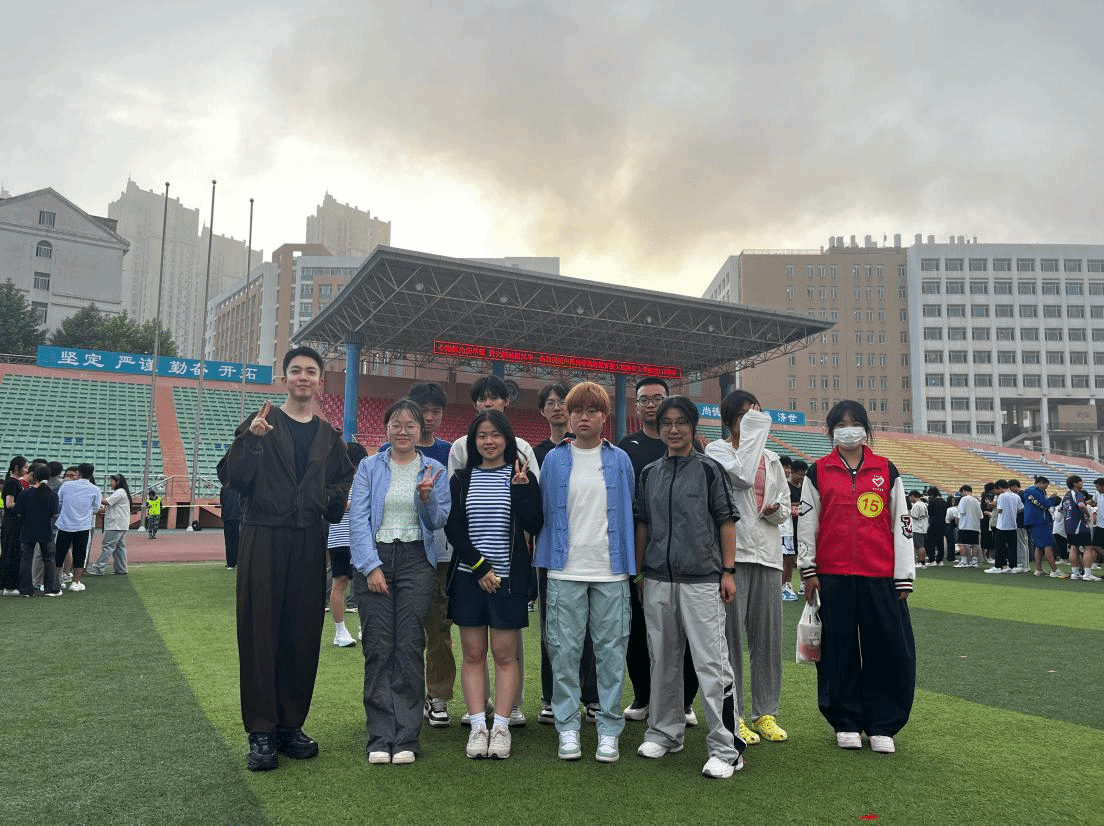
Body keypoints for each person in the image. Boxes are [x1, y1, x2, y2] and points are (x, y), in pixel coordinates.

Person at [225, 346, 355, 772]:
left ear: (320, 381)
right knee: (260, 631)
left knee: (302, 632)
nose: (303, 377)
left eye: (311, 371)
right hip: (263, 536)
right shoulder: (261, 421)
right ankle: (261, 731)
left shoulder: (328, 435)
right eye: (295, 370)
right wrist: (251, 441)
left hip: (308, 539)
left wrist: (326, 500)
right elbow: (232, 478)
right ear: (284, 379)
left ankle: (290, 725)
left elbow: (343, 480)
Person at [634, 396, 745, 779]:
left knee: (712, 664)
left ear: (693, 427)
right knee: (663, 661)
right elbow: (643, 525)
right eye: (667, 422)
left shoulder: (710, 470)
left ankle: (727, 748)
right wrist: (640, 574)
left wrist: (727, 571)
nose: (673, 429)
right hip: (658, 581)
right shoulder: (649, 473)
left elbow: (726, 521)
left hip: (703, 581)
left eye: (681, 422)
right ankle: (665, 733)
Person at [797, 400, 915, 754]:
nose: (848, 429)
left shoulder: (886, 470)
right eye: (841, 423)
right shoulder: (818, 472)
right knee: (837, 650)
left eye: (854, 422)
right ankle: (845, 720)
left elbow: (902, 523)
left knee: (887, 649)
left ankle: (883, 724)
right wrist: (808, 569)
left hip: (880, 574)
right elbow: (807, 522)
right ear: (831, 430)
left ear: (866, 427)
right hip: (832, 575)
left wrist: (903, 575)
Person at [535, 382, 634, 763]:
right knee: (564, 653)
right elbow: (543, 509)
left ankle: (609, 729)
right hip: (564, 570)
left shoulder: (620, 460)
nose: (583, 417)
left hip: (611, 570)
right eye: (577, 410)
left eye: (592, 410)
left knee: (610, 653)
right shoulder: (554, 460)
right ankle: (567, 727)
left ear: (604, 416)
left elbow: (630, 508)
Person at [351, 399, 450, 765]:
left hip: (415, 562)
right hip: (375, 557)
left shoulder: (434, 469)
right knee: (378, 647)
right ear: (387, 428)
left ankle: (407, 736)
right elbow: (358, 519)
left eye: (410, 425)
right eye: (396, 424)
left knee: (409, 646)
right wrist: (370, 566)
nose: (403, 431)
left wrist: (426, 499)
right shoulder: (369, 467)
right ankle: (380, 736)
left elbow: (437, 521)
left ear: (420, 429)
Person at [445, 409, 542, 760]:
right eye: (482, 435)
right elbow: (454, 528)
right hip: (470, 578)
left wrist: (522, 491)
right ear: (473, 441)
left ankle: (501, 726)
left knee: (505, 655)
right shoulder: (461, 479)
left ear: (507, 439)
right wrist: (480, 566)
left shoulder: (521, 476)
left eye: (496, 435)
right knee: (473, 655)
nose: (489, 441)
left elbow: (535, 523)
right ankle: (477, 726)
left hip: (508, 581)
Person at [706, 390, 791, 747]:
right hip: (734, 556)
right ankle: (735, 713)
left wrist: (776, 511)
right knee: (730, 639)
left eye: (756, 414)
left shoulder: (772, 459)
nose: (751, 421)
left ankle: (766, 712)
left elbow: (785, 504)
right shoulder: (718, 451)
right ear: (729, 419)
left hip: (767, 554)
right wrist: (754, 435)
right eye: (743, 415)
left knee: (767, 638)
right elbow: (740, 477)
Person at [618, 377, 699, 726]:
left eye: (657, 398)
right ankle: (643, 695)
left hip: (685, 558)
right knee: (638, 631)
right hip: (640, 553)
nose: (651, 404)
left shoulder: (695, 451)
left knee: (685, 633)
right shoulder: (627, 447)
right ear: (636, 406)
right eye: (644, 399)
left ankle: (685, 700)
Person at [532, 381, 598, 727]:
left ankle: (591, 696)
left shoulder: (593, 451)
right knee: (553, 629)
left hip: (589, 550)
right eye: (551, 402)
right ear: (543, 410)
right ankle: (551, 696)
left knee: (591, 628)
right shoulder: (538, 454)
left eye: (563, 402)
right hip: (552, 552)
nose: (558, 408)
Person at [407, 382, 458, 729]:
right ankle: (405, 696)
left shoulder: (449, 451)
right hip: (406, 551)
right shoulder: (393, 449)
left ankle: (437, 696)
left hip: (441, 555)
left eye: (435, 411)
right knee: (405, 631)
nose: (428, 417)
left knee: (440, 629)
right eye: (423, 410)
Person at [328, 441, 369, 648]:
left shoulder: (365, 478)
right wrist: (355, 504)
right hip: (340, 537)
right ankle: (340, 631)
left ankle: (364, 627)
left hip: (361, 537)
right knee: (340, 582)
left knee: (364, 583)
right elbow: (332, 505)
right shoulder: (335, 478)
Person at [54, 463, 102, 593]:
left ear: (78, 473)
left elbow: (59, 501)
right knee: (80, 554)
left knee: (59, 553)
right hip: (83, 526)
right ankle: (75, 582)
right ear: (91, 474)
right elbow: (96, 508)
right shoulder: (95, 490)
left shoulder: (66, 485)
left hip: (64, 524)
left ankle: (55, 580)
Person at [15, 465, 61, 597]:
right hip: (45, 529)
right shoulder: (52, 494)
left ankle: (26, 590)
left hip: (27, 529)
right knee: (49, 559)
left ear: (34, 476)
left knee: (26, 560)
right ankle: (51, 588)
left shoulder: (25, 493)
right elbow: (54, 514)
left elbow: (19, 512)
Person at [87, 474, 132, 576]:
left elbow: (106, 502)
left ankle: (98, 568)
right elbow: (110, 505)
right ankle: (121, 568)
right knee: (119, 547)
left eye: (112, 481)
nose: (111, 483)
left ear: (118, 482)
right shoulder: (122, 492)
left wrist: (94, 495)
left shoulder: (120, 491)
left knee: (108, 546)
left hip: (115, 524)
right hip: (120, 524)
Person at [1, 455, 29, 595]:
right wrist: (25, 505)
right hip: (12, 522)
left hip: (12, 522)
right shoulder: (12, 483)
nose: (27, 470)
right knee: (11, 553)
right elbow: (9, 503)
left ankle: (6, 585)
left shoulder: (14, 482)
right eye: (25, 467)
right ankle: (9, 586)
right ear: (17, 468)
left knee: (11, 552)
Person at [1023, 476, 1060, 577]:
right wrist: (1053, 499)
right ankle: (1054, 570)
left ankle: (1038, 569)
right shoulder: (1036, 491)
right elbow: (1045, 504)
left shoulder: (1029, 491)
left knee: (1038, 546)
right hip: (1040, 520)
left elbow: (1037, 503)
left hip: (1032, 520)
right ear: (1041, 483)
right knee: (1048, 544)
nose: (1045, 489)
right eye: (1045, 486)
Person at [1062, 476, 1097, 581]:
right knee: (1088, 547)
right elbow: (1081, 505)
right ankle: (1087, 573)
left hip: (1068, 525)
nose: (1082, 484)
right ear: (1075, 483)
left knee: (1073, 547)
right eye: (1080, 482)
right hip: (1079, 525)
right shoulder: (1078, 494)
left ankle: (1075, 573)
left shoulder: (1066, 496)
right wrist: (1087, 514)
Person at [987, 480, 1021, 574]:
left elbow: (1000, 510)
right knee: (1012, 547)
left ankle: (998, 566)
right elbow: (1021, 508)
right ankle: (1012, 566)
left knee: (999, 547)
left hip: (1002, 525)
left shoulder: (1002, 496)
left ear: (999, 487)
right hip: (1013, 525)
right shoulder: (1016, 496)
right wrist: (1012, 512)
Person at [954, 485, 983, 568]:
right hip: (975, 526)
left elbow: (961, 512)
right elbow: (980, 515)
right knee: (974, 544)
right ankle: (974, 562)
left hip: (965, 525)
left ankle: (964, 561)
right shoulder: (976, 500)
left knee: (962, 543)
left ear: (964, 491)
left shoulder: (964, 499)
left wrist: (958, 523)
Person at [909, 491, 929, 568]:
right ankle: (922, 562)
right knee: (922, 546)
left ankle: (921, 562)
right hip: (924, 527)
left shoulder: (916, 505)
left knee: (920, 546)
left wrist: (908, 514)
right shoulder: (923, 504)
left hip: (918, 528)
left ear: (913, 496)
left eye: (910, 497)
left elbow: (914, 516)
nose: (910, 499)